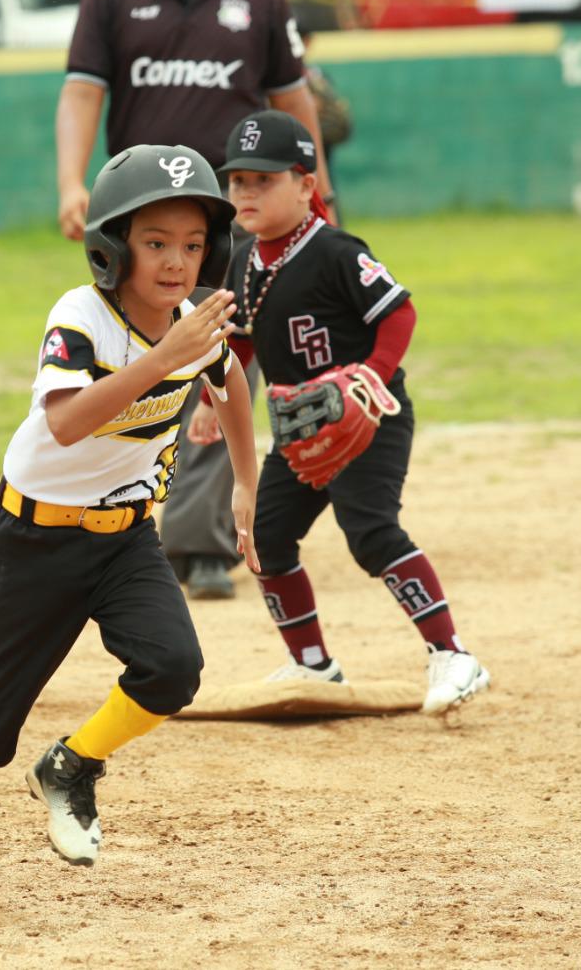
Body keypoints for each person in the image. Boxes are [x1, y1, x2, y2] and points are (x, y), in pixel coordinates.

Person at [0, 145, 261, 920]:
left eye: (193, 245)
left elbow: (229, 387)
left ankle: (72, 765)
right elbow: (66, 423)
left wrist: (246, 487)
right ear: (113, 246)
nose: (176, 262)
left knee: (172, 669)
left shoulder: (192, 326)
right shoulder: (81, 316)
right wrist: (168, 356)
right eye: (156, 242)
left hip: (125, 537)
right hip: (33, 540)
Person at [56, 0, 334, 603]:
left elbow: (293, 97)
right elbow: (83, 91)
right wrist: (70, 182)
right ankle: (120, 523)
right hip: (142, 223)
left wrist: (316, 191)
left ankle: (199, 542)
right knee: (135, 364)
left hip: (235, 214)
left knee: (225, 358)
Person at [188, 110, 491, 715]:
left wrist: (374, 378)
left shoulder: (334, 250)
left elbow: (398, 313)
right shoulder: (245, 261)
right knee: (268, 538)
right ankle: (313, 665)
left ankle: (452, 655)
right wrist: (211, 402)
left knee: (370, 532)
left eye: (264, 180)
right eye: (238, 180)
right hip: (301, 429)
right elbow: (242, 341)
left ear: (306, 185)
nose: (246, 192)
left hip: (370, 419)